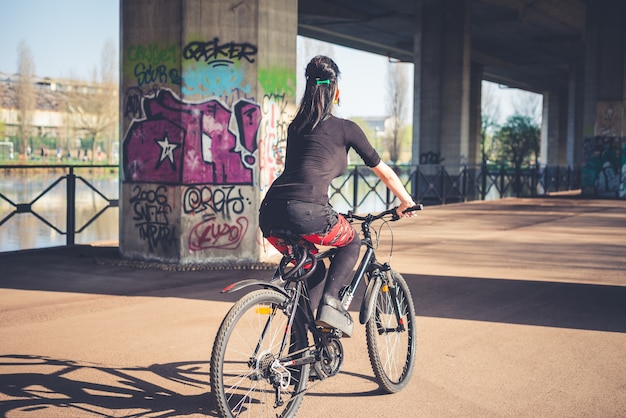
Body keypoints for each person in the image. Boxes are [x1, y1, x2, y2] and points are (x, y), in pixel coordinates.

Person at [259, 55, 416, 337]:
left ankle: (300, 357)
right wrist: (406, 201)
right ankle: (331, 304)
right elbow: (384, 172)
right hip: (308, 212)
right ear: (335, 90)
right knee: (352, 241)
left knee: (310, 270)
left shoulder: (296, 127)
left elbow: (304, 176)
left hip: (271, 212)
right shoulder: (346, 129)